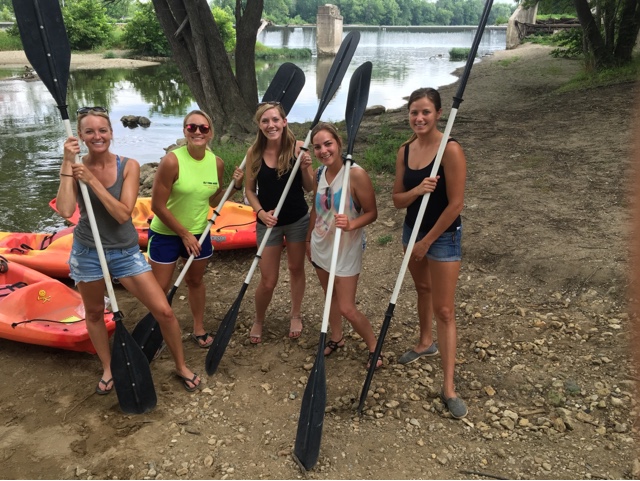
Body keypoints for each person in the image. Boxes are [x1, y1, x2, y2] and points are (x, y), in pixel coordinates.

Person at [56, 107, 201, 394]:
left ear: (111, 133)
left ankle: (181, 366)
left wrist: (92, 181)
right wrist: (67, 162)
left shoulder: (129, 166)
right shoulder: (75, 166)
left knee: (164, 311)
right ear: (81, 136)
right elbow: (65, 209)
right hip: (88, 252)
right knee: (95, 313)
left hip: (125, 252)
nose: (97, 136)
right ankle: (108, 368)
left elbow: (123, 214)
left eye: (102, 130)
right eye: (89, 131)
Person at [392, 87, 467, 419]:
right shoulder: (405, 150)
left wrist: (427, 241)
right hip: (412, 230)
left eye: (425, 112)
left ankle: (449, 387)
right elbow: (397, 199)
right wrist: (417, 190)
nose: (419, 118)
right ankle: (425, 343)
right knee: (422, 288)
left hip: (444, 236)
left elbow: (455, 205)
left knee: (445, 310)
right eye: (414, 112)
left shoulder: (450, 150)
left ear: (438, 114)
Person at [147, 110, 243, 349]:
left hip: (199, 232)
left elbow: (213, 201)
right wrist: (184, 234)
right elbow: (157, 205)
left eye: (203, 128)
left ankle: (198, 328)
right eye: (192, 127)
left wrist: (235, 186)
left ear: (210, 133)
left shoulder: (216, 163)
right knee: (160, 288)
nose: (198, 132)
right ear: (184, 131)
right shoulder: (172, 161)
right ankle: (157, 331)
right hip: (166, 233)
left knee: (195, 280)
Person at [305, 122, 382, 369]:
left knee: (347, 307)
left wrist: (351, 224)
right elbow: (315, 210)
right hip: (321, 245)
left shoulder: (355, 175)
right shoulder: (319, 174)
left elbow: (372, 213)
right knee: (330, 296)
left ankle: (374, 346)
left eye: (328, 144)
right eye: (317, 147)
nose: (323, 150)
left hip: (346, 248)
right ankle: (337, 337)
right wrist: (308, 239)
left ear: (338, 143)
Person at [244, 101, 314, 343]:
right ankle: (259, 319)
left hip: (297, 220)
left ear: (284, 122)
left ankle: (296, 314)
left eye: (275, 120)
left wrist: (305, 168)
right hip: (268, 224)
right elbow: (250, 190)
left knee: (296, 268)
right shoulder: (253, 153)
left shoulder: (299, 147)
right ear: (259, 125)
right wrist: (261, 213)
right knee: (268, 280)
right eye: (265, 121)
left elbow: (309, 187)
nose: (271, 125)